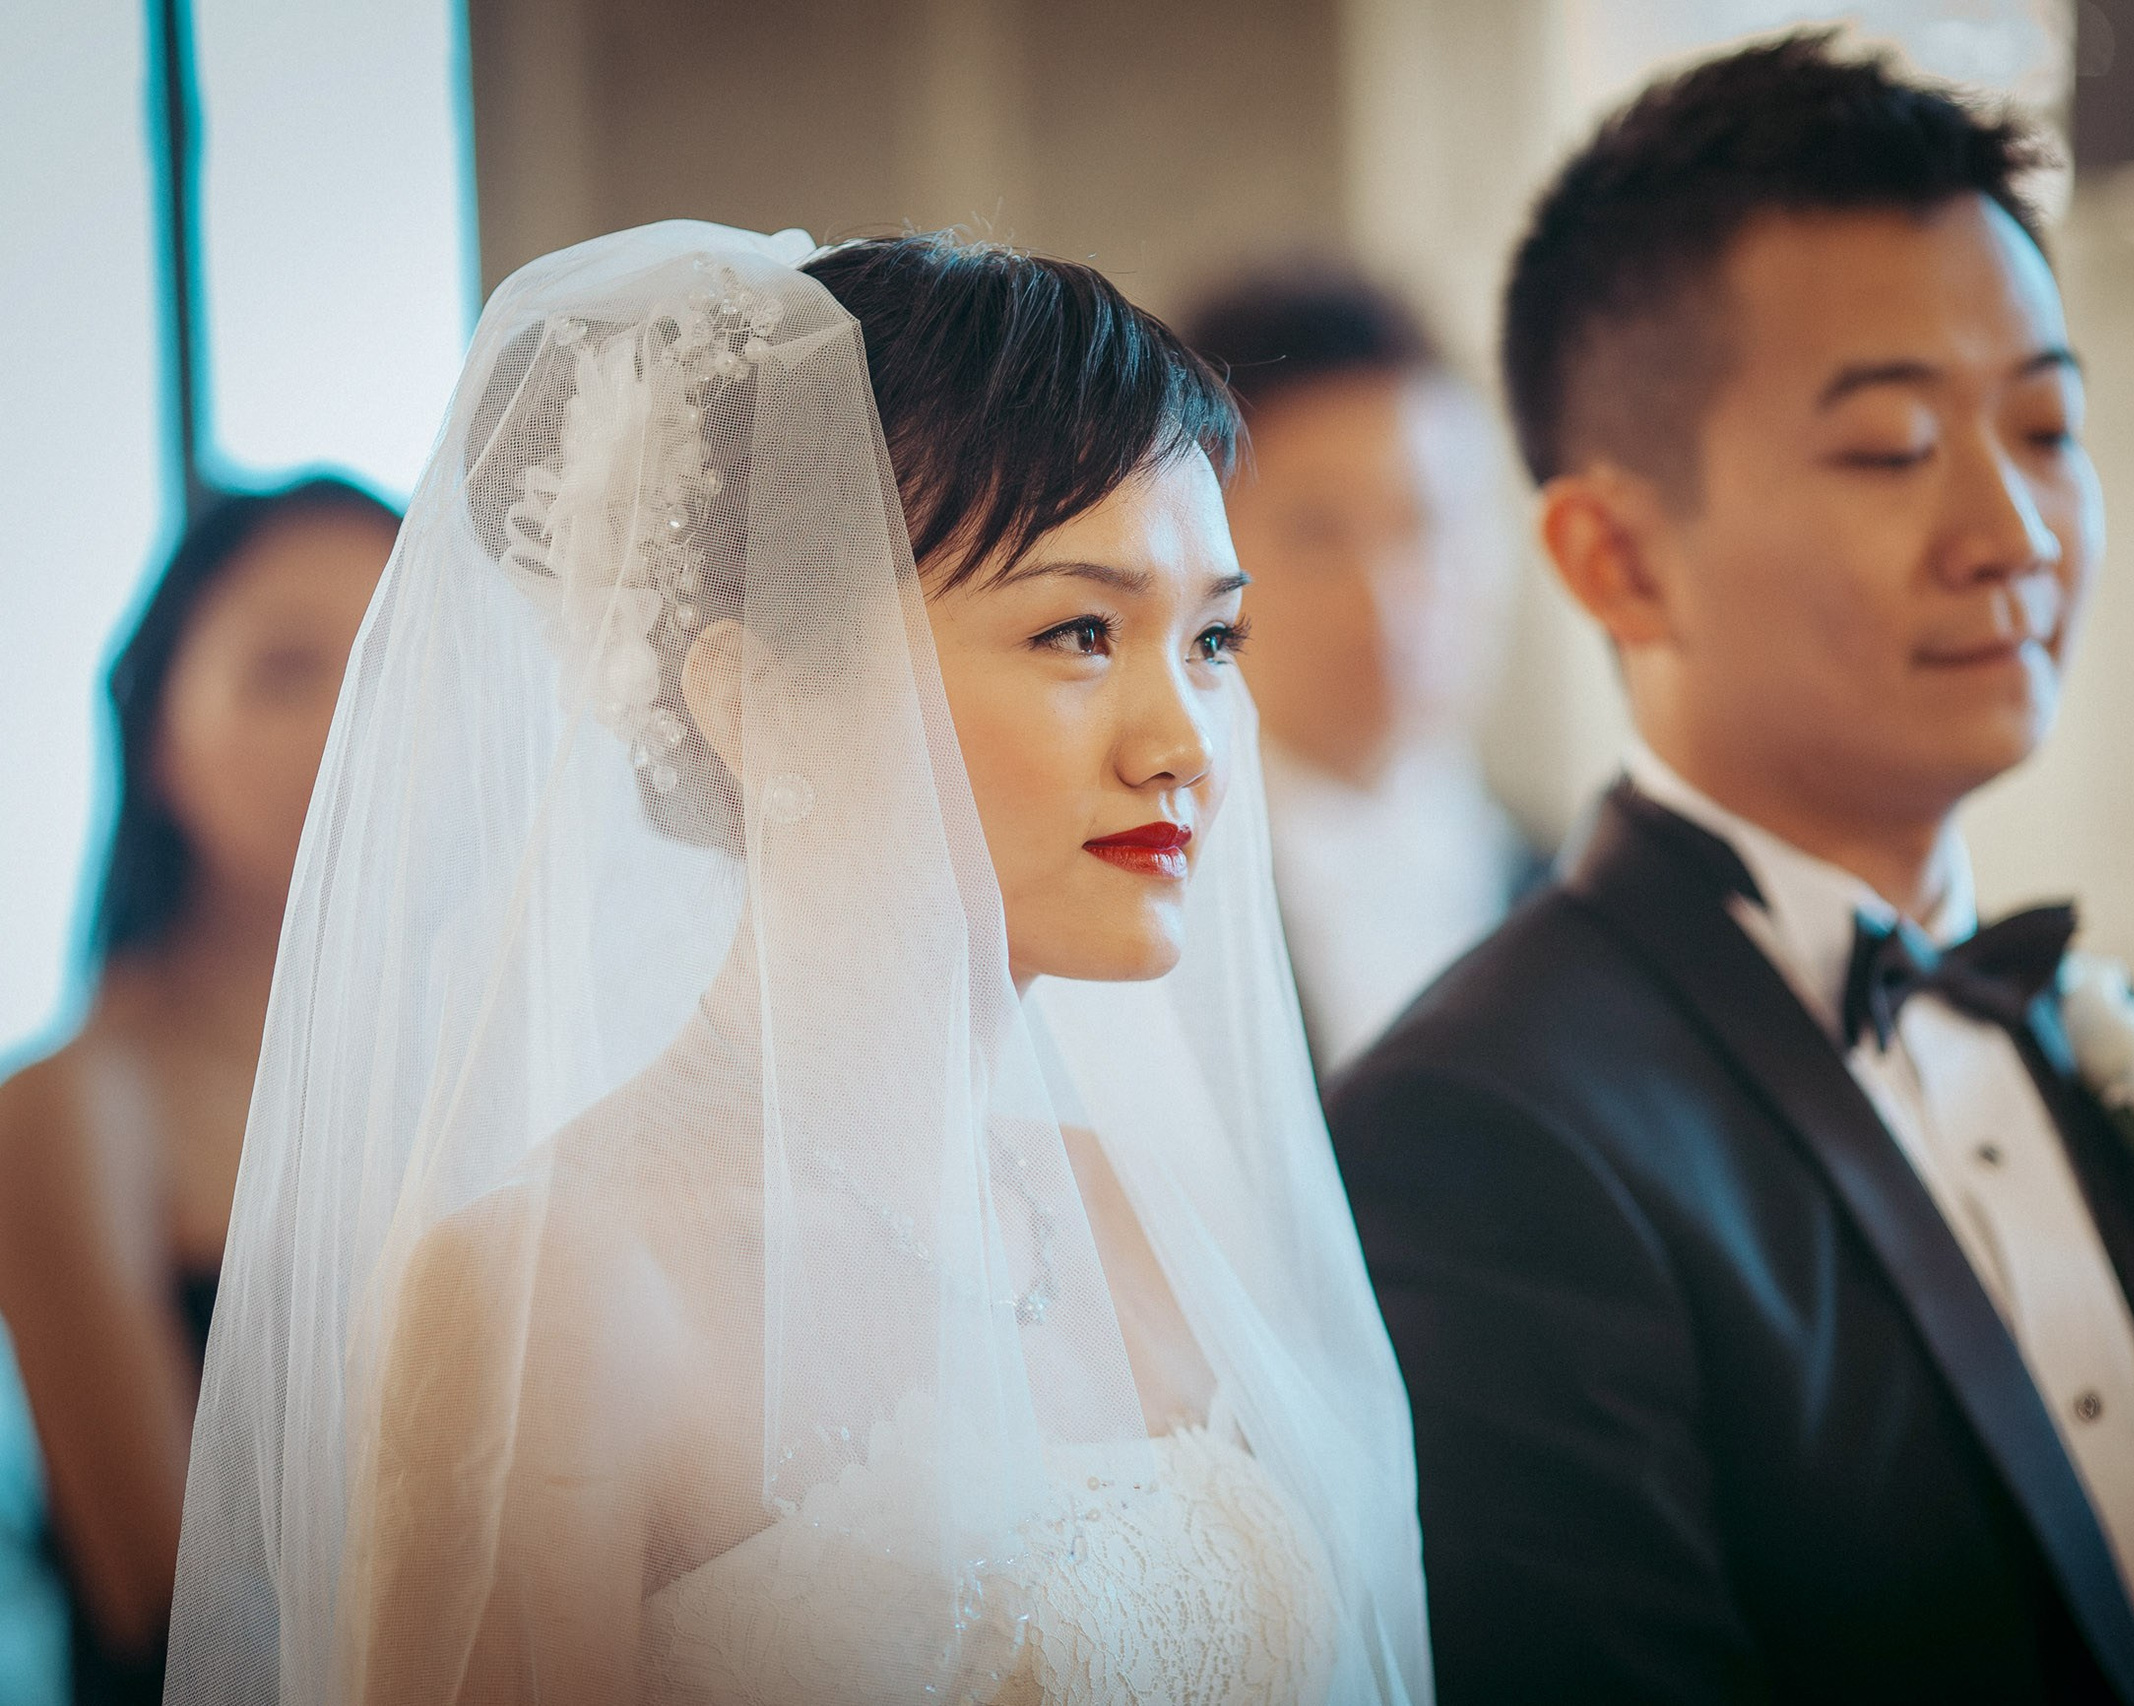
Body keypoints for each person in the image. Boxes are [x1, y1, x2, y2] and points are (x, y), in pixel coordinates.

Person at [165, 224, 1429, 1705]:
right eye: (1082, 630)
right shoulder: (554, 1291)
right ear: (755, 700)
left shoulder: (1133, 1217)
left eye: (1214, 639)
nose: (1189, 744)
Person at [1327, 35, 2134, 1706]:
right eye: (1894, 447)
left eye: (2047, 426)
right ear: (1614, 555)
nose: (2016, 527)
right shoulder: (1483, 1131)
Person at [0, 479, 397, 1704]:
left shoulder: (465, 1075)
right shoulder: (76, 1109)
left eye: (392, 659)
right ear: (158, 732)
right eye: (284, 670)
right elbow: (171, 1614)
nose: (351, 720)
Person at [1184, 270, 1535, 1072]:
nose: (1389, 598)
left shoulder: (1579, 886)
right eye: (1318, 533)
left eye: (1427, 524)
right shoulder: (1149, 915)